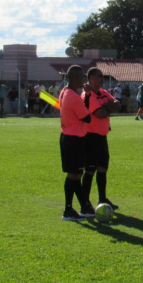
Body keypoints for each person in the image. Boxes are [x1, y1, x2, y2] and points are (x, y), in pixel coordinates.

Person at [82, 68, 122, 211]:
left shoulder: (104, 93)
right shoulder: (88, 96)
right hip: (90, 137)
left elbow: (118, 104)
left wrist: (107, 107)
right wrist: (107, 107)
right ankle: (85, 202)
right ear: (91, 78)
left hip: (102, 136)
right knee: (90, 170)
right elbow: (100, 114)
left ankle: (102, 199)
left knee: (102, 169)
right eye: (99, 77)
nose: (102, 79)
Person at [59, 66, 94, 221]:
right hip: (74, 139)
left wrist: (85, 95)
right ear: (74, 78)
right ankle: (68, 209)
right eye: (82, 77)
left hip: (69, 136)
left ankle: (84, 207)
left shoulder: (65, 92)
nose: (84, 80)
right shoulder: (73, 96)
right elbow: (87, 117)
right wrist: (86, 97)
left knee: (77, 174)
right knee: (73, 174)